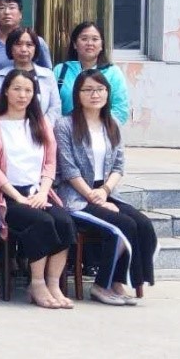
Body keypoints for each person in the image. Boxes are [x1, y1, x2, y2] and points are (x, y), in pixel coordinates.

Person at [55, 69, 156, 305]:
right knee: (122, 225)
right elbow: (68, 169)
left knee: (142, 224)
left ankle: (119, 281)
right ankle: (101, 285)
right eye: (88, 90)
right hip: (77, 197)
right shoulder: (65, 125)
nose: (95, 95)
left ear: (107, 93)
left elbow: (119, 165)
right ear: (77, 94)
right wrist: (93, 197)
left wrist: (104, 192)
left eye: (100, 89)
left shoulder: (112, 124)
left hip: (106, 192)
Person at [0, 69, 75, 310]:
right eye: (17, 89)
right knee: (41, 222)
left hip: (38, 193)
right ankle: (37, 283)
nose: (22, 95)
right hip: (8, 197)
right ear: (6, 91)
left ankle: (53, 283)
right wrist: (18, 197)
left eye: (28, 90)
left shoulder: (40, 123)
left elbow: (50, 163)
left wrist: (42, 192)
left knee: (64, 221)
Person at [53, 21, 130, 125]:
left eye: (95, 39)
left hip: (100, 131)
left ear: (102, 45)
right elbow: (52, 106)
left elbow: (120, 111)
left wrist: (97, 128)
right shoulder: (61, 70)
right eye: (84, 39)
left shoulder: (113, 72)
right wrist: (64, 127)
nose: (89, 43)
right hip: (65, 131)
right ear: (75, 44)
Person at [0, 27, 61, 129]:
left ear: (36, 48)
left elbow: (55, 107)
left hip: (42, 131)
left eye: (29, 45)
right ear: (10, 47)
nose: (24, 49)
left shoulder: (48, 75)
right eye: (18, 44)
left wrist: (41, 127)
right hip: (7, 130)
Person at [0, 0, 52, 74]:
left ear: (20, 14)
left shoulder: (36, 42)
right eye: (1, 8)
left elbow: (47, 73)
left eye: (12, 7)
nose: (7, 12)